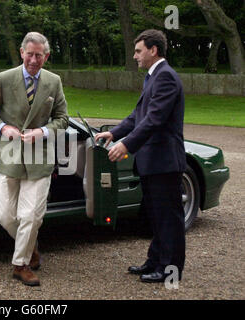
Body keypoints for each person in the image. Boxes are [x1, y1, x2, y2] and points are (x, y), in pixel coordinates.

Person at [0, 32, 69, 286]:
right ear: (21, 53)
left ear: (46, 56)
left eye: (39, 55)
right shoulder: (4, 79)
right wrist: (1, 128)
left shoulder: (54, 81)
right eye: (30, 54)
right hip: (8, 157)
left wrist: (43, 132)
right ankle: (30, 247)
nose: (34, 60)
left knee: (31, 216)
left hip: (40, 158)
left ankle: (20, 264)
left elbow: (63, 118)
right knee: (6, 217)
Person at [95, 29, 186, 283]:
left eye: (138, 51)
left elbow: (154, 120)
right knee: (155, 217)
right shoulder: (152, 77)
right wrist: (114, 133)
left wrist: (126, 146)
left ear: (153, 50)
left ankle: (170, 271)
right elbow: (138, 116)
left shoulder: (165, 77)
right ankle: (155, 262)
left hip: (165, 162)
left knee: (169, 219)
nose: (135, 56)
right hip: (152, 162)